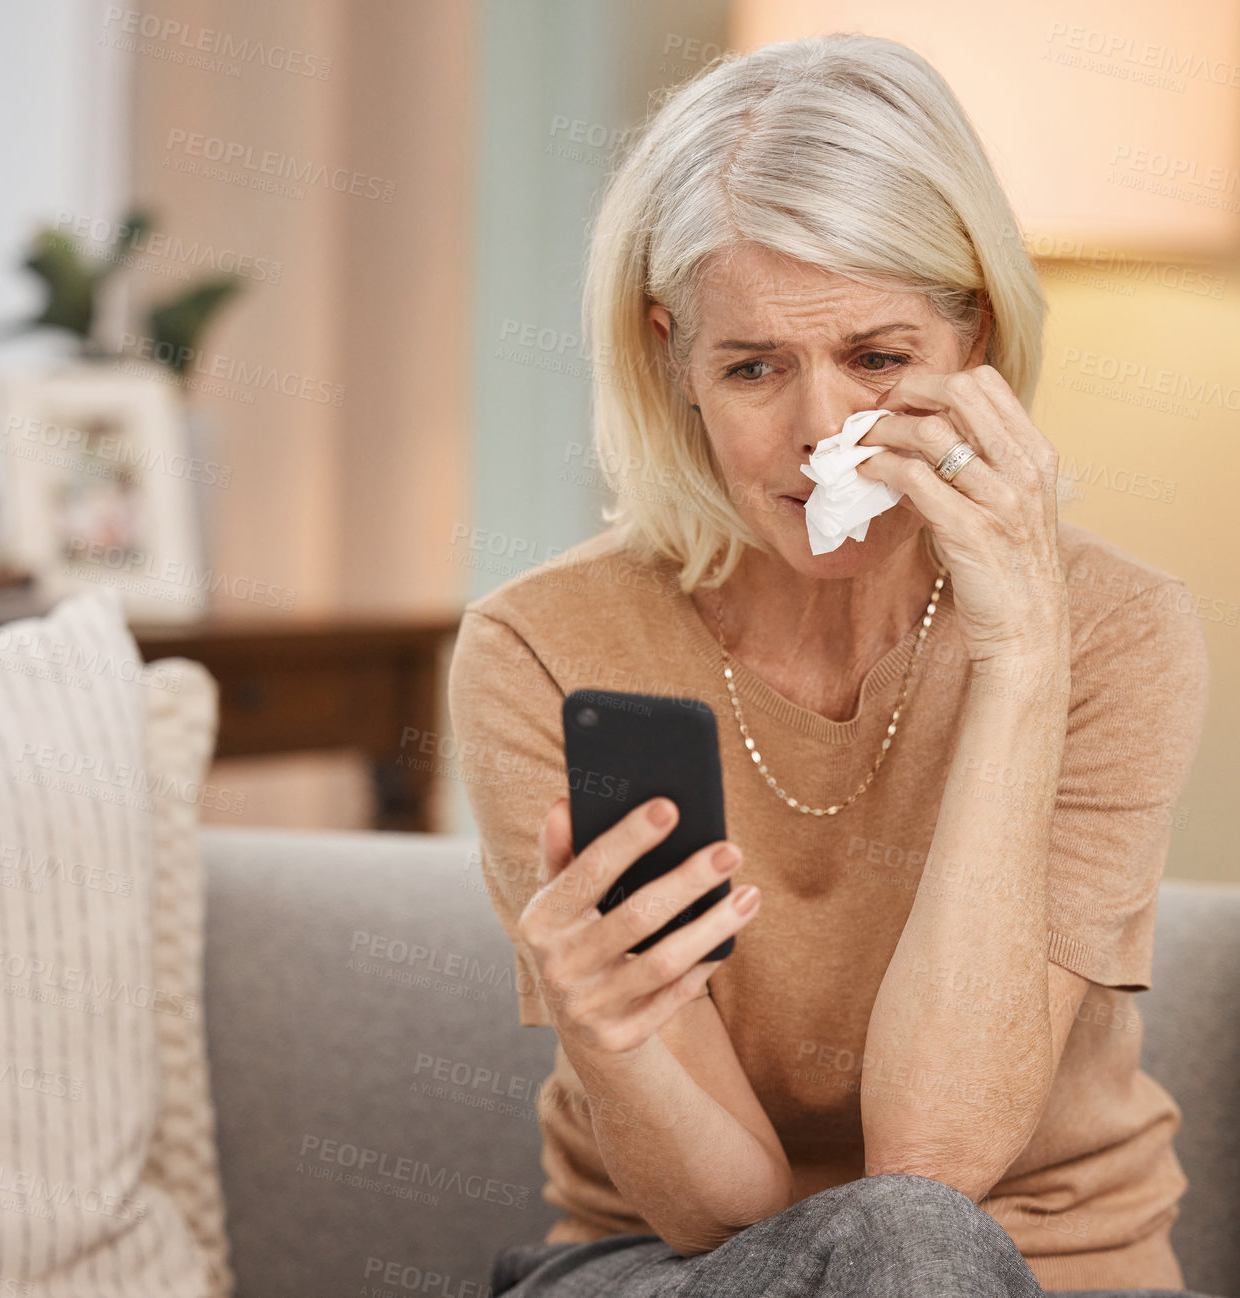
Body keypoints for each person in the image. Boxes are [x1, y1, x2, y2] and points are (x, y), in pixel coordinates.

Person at [446, 32, 1217, 1298]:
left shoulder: (1121, 633)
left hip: (1040, 1271)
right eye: (754, 367)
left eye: (876, 358)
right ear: (670, 359)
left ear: (972, 329)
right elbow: (723, 1205)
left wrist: (1023, 654)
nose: (820, 438)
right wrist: (612, 1033)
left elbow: (934, 1158)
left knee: (916, 1241)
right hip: (683, 1270)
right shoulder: (542, 646)